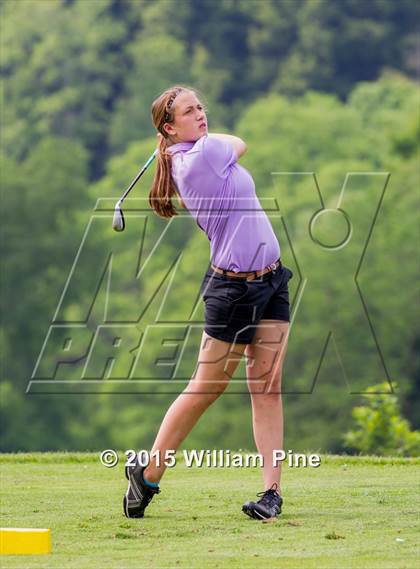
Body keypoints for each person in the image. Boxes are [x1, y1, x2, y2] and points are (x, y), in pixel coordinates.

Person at [123, 84, 294, 521]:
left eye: (201, 106)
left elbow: (231, 147)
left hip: (272, 279)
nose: (201, 114)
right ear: (169, 126)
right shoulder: (201, 156)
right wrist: (183, 143)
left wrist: (172, 143)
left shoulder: (191, 151)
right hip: (233, 290)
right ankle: (148, 475)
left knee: (267, 387)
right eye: (189, 111)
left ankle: (271, 493)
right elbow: (241, 142)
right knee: (207, 388)